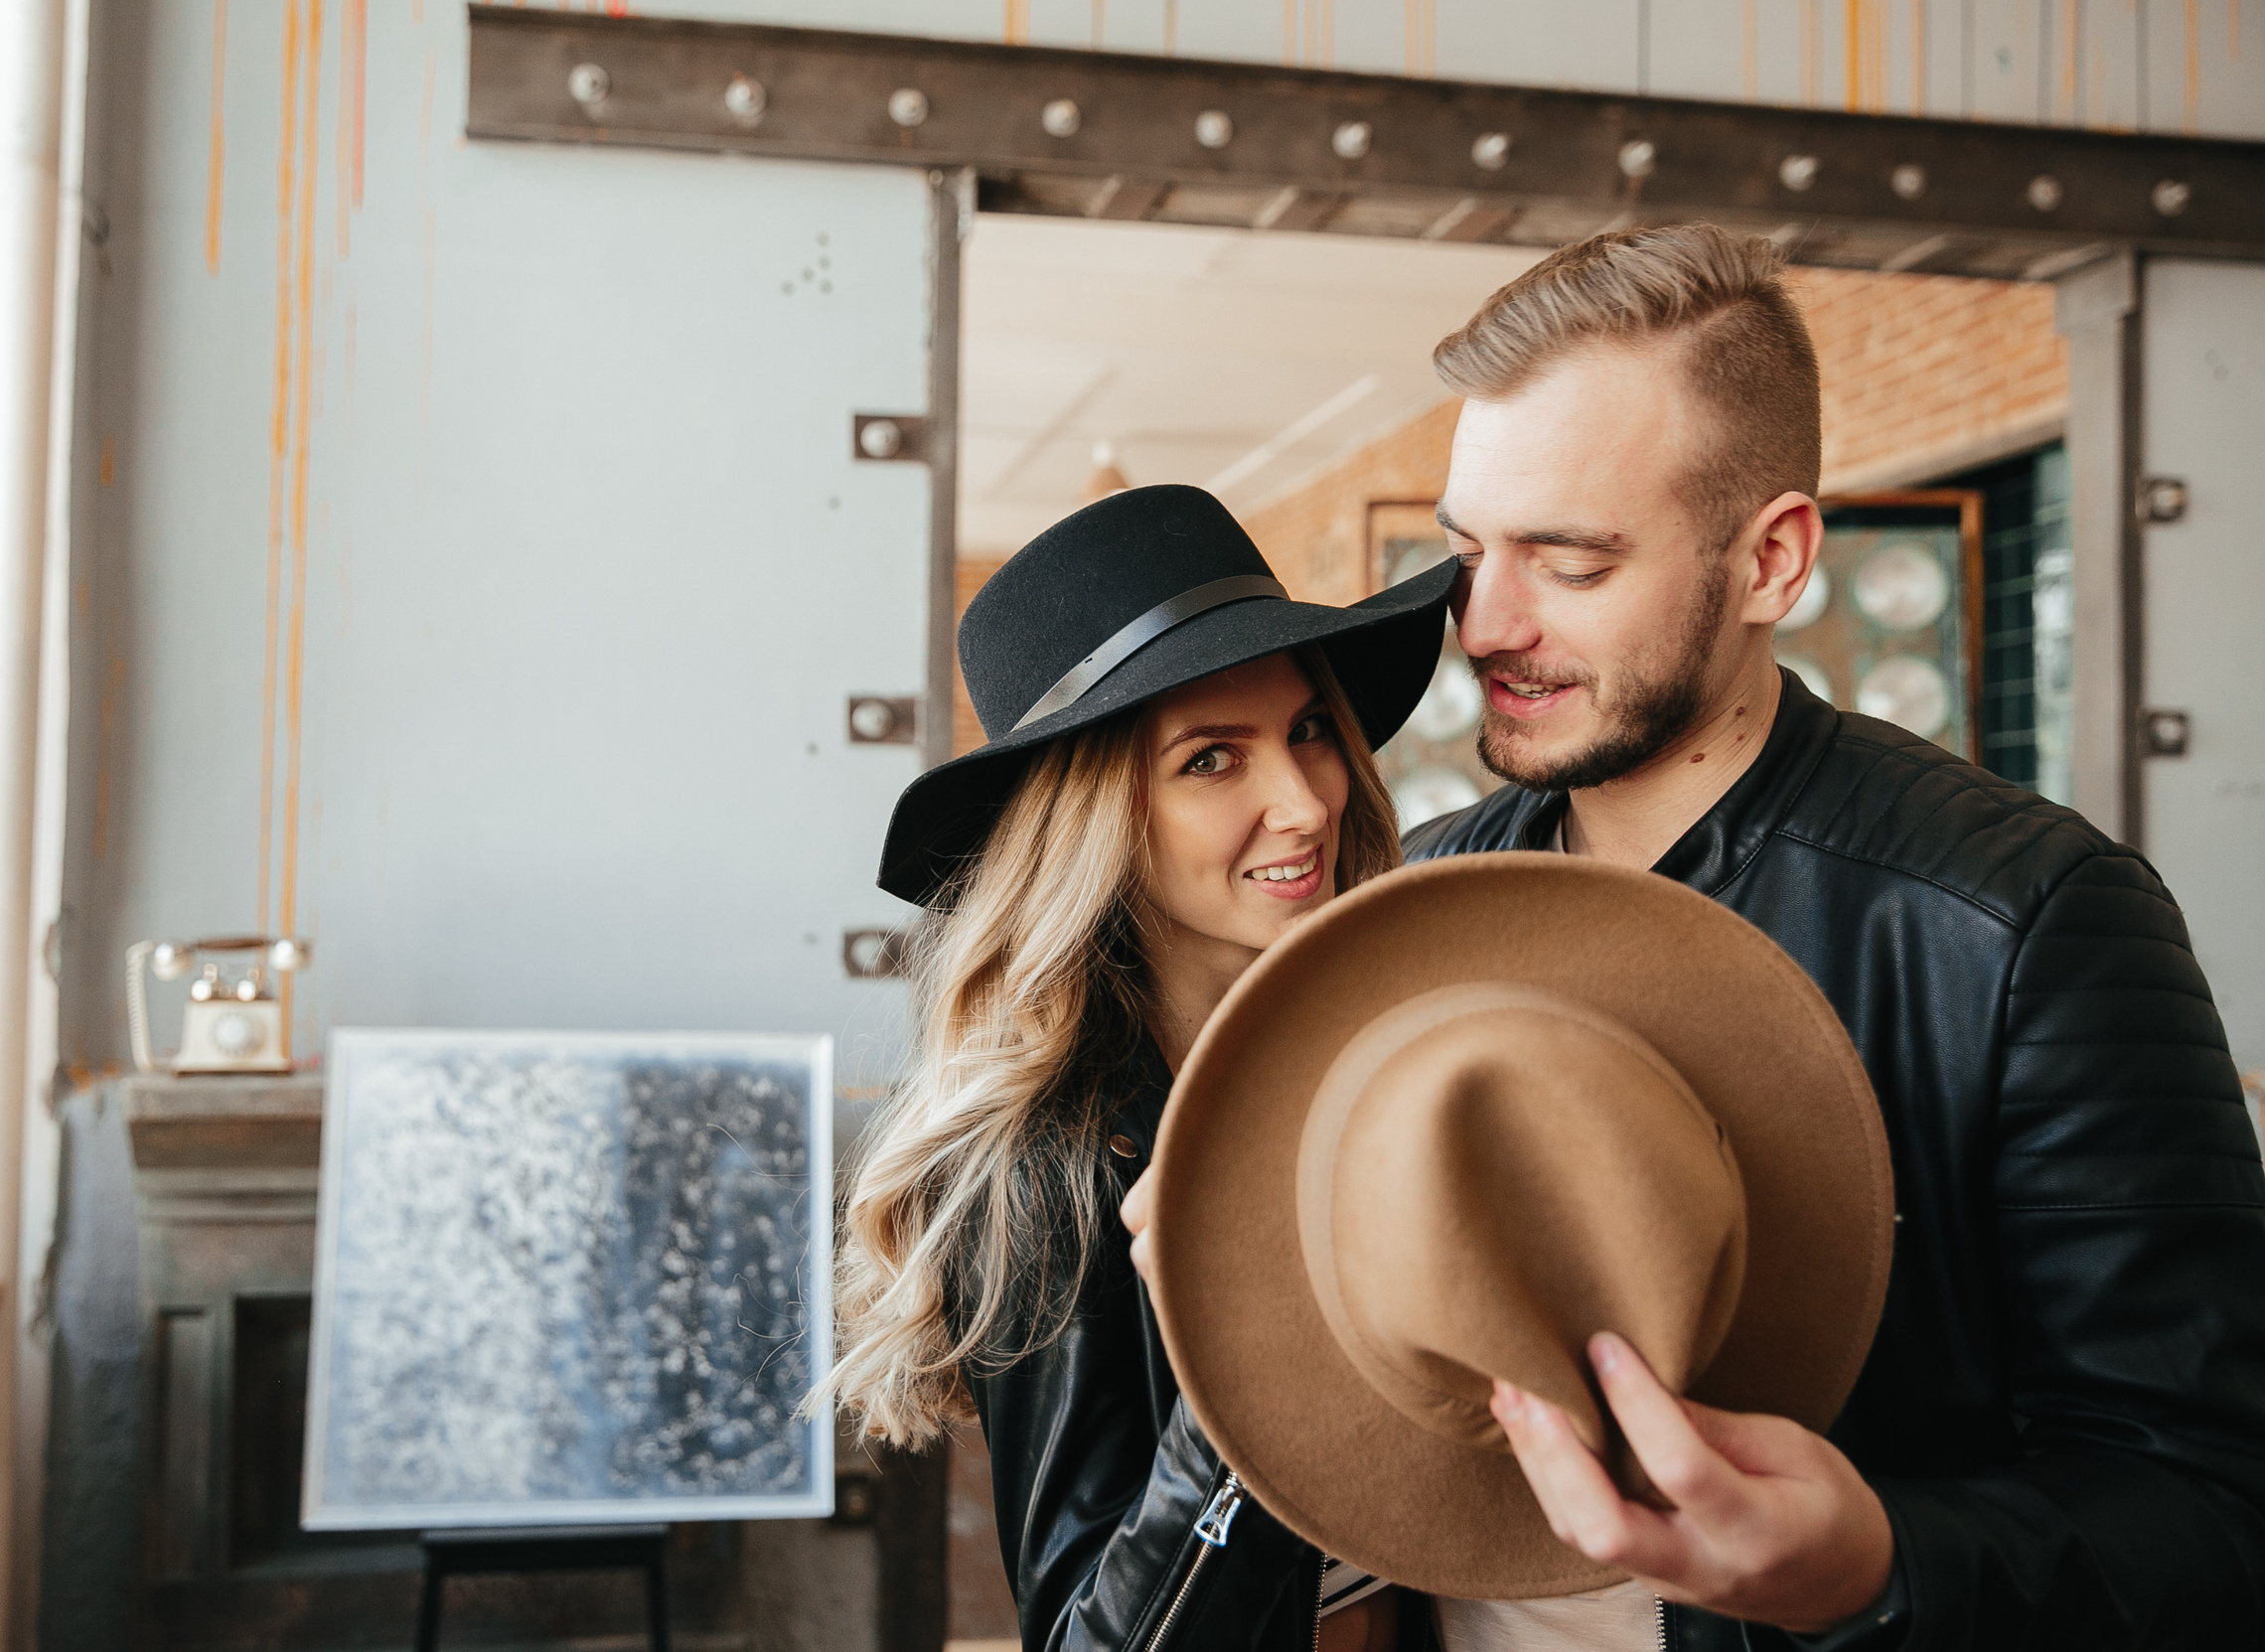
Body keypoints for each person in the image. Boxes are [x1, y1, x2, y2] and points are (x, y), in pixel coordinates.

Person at [1374, 223, 2265, 1648]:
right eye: (1467, 549)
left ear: (1773, 561)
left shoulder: (2030, 919)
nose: (1484, 622)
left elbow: (2214, 1516)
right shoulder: (1407, 908)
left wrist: (1881, 1567)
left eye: (1572, 559)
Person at [821, 484, 1458, 1652]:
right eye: (1212, 758)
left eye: (1307, 728)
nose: (1302, 801)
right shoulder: (1056, 1165)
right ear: (1099, 820)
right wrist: (1255, 1370)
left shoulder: (1359, 1070)